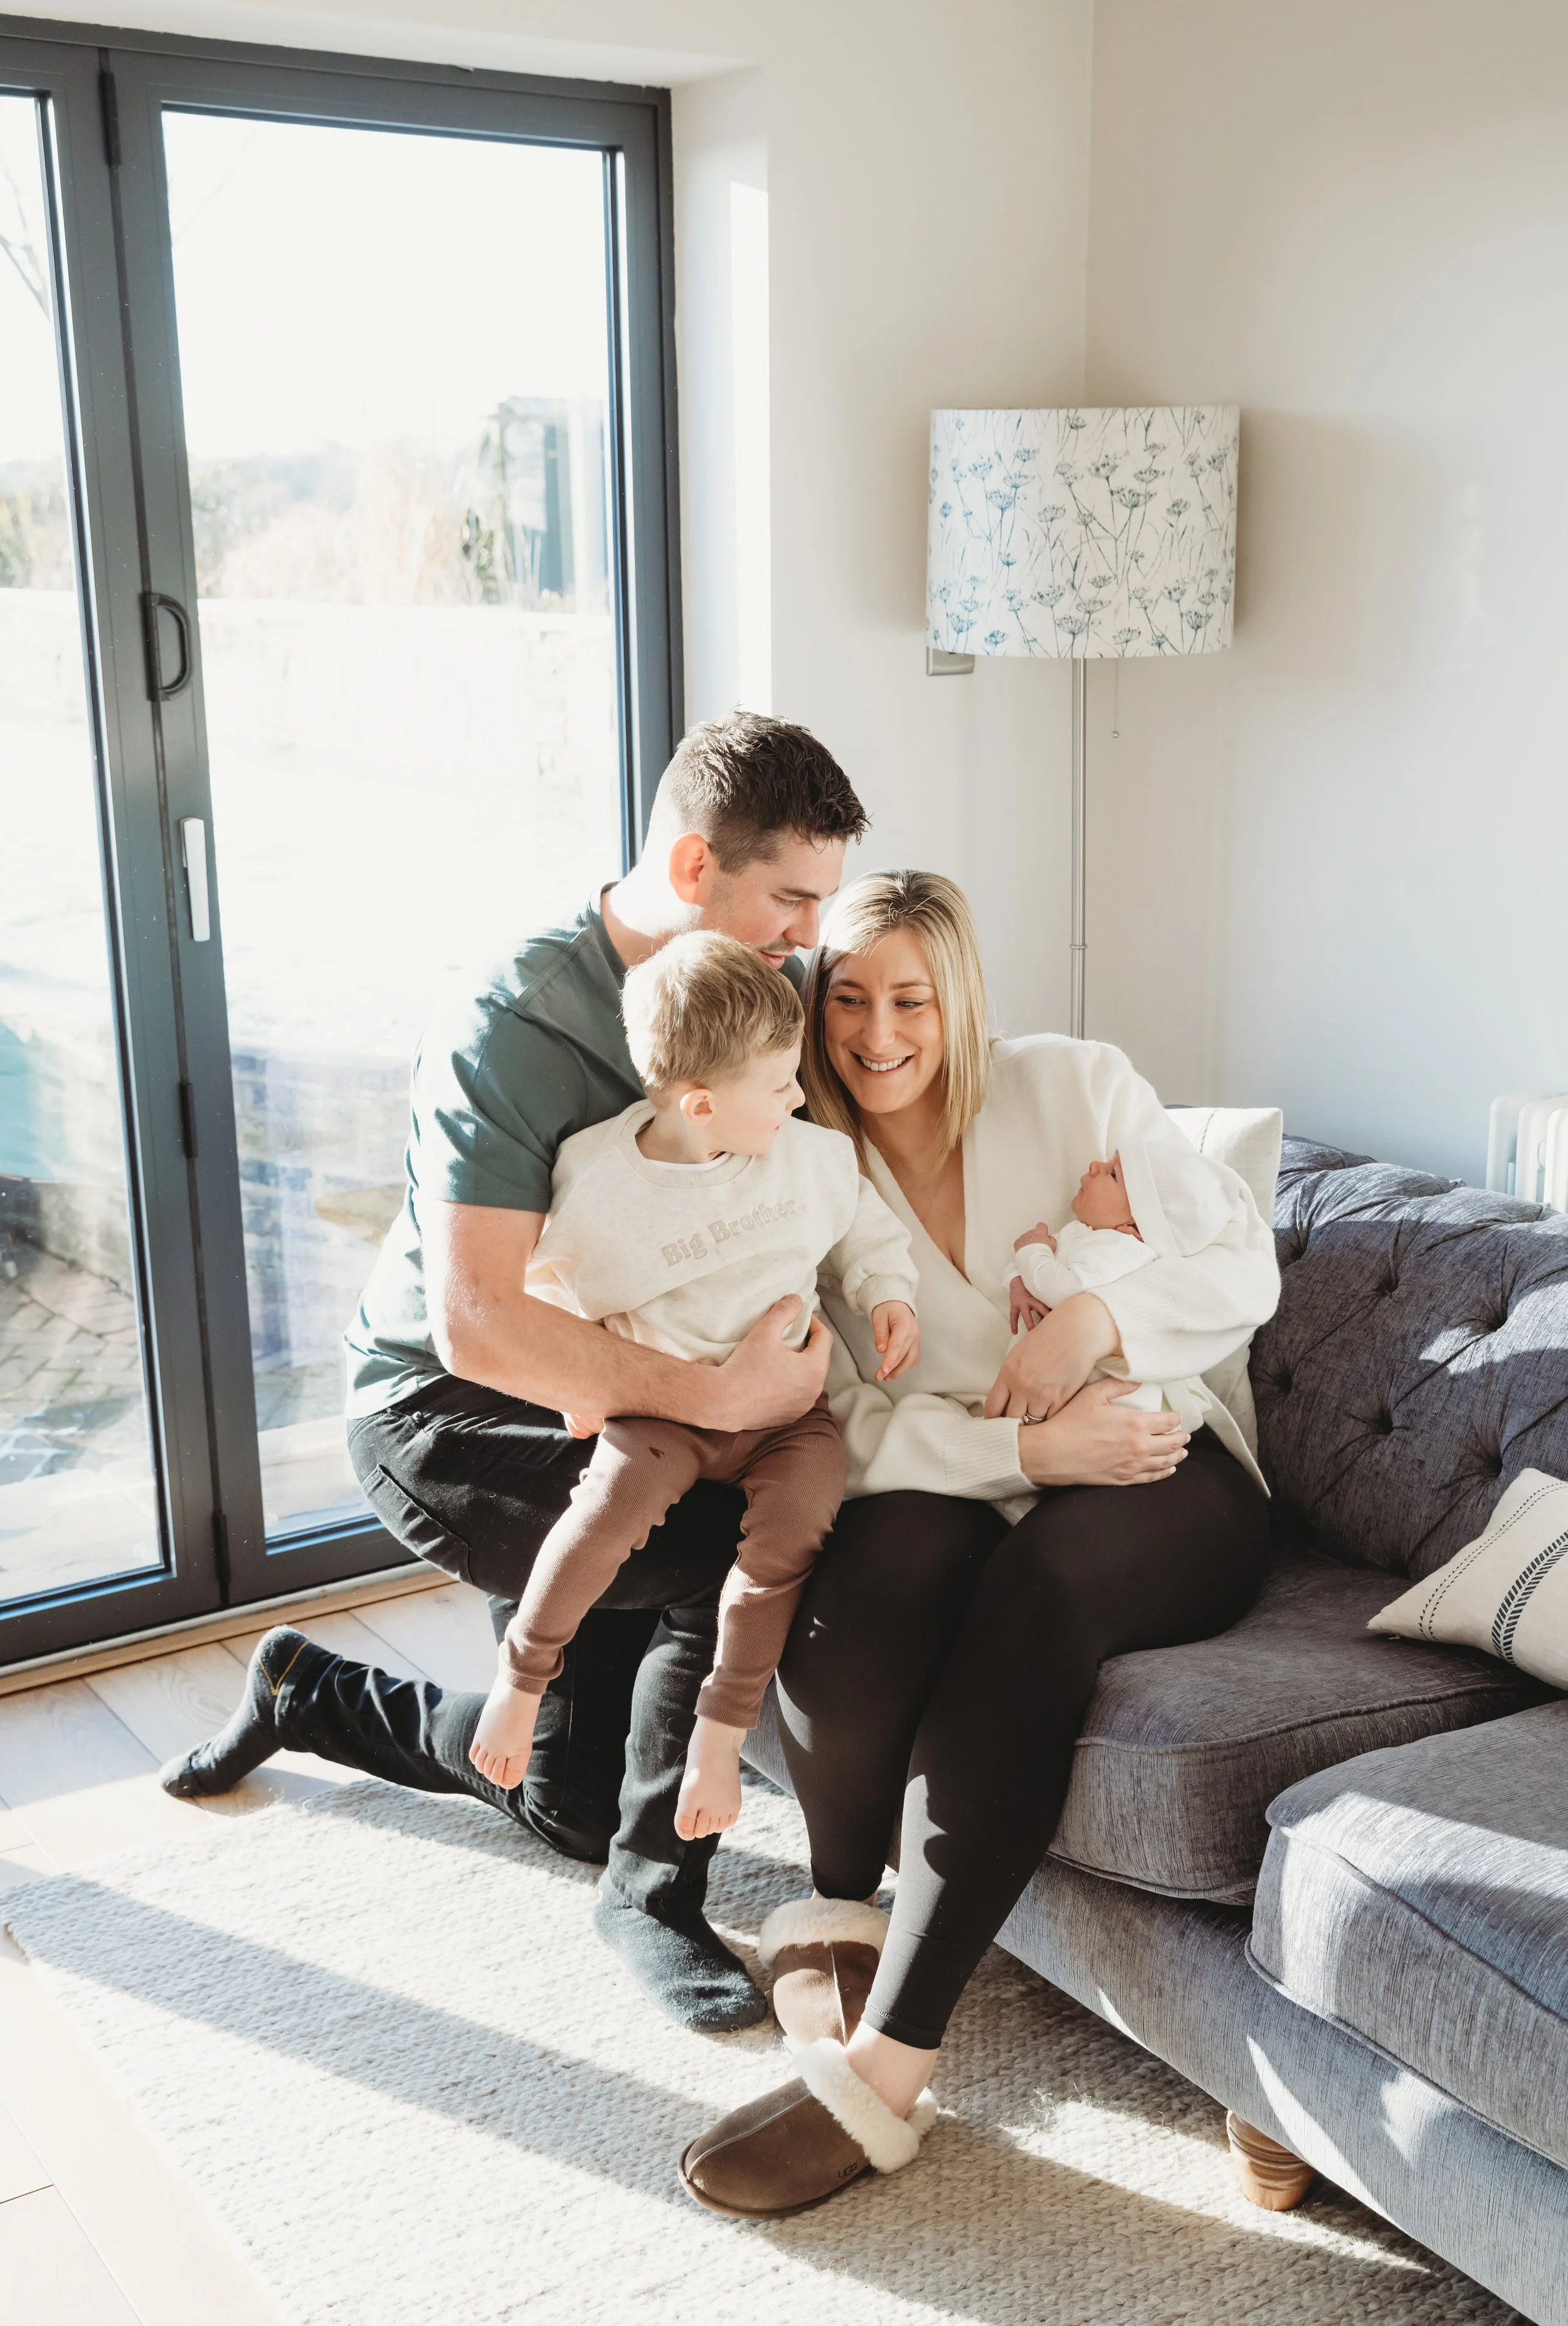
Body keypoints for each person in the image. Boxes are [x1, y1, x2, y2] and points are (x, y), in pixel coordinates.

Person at [159, 711, 869, 2034]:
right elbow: (478, 1324)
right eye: (788, 897)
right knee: (718, 1533)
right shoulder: (518, 1021)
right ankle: (654, 1895)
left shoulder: (766, 996)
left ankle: (306, 1690)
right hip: (446, 1402)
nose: (804, 933)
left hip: (627, 1386)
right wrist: (721, 1398)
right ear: (696, 861)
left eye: (817, 904)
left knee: (565, 1802)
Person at [677, 870, 1280, 2218]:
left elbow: (1243, 1265)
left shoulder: (1076, 1085)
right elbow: (848, 1419)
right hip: (980, 1471)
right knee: (872, 1563)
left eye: (910, 998)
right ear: (810, 1003)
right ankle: (836, 1914)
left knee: (1042, 1578)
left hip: (1155, 1464)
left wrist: (1088, 1333)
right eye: (846, 996)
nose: (877, 1032)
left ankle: (886, 2070)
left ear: (960, 999)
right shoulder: (800, 1170)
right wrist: (1020, 1453)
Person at [470, 930, 920, 1846]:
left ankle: (720, 1733)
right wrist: (577, 1373)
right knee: (601, 1516)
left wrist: (889, 1296)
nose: (801, 1096)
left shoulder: (808, 1158)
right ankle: (521, 1680)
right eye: (780, 1084)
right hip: (665, 1409)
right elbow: (543, 1285)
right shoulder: (599, 1186)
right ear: (701, 1104)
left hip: (789, 1416)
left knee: (793, 1534)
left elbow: (866, 1230)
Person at [1005, 1140, 1263, 1473]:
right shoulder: (1087, 1234)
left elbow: (1063, 1289)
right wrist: (1017, 1281)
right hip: (1058, 1392)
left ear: (1135, 1228)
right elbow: (1040, 1274)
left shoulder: (1121, 1249)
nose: (1095, 1165)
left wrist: (1032, 1252)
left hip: (1115, 1406)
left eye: (1113, 1174)